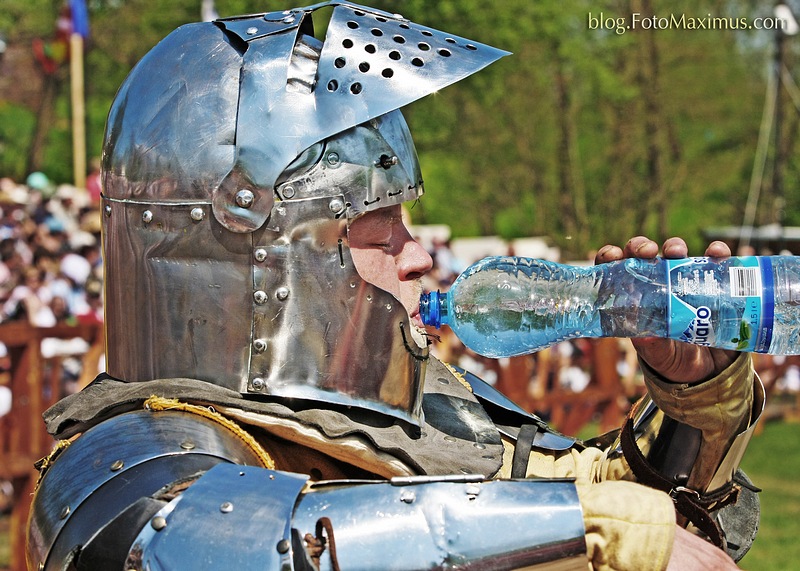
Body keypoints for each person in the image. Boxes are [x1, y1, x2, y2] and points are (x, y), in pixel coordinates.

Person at [26, 4, 761, 570]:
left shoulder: (420, 414)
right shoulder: (139, 452)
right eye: (377, 231)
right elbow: (204, 541)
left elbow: (625, 498)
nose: (416, 257)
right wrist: (600, 532)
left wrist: (691, 396)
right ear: (263, 251)